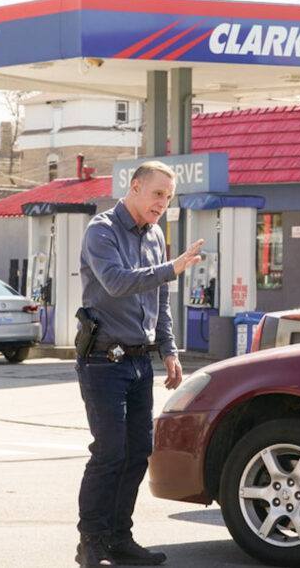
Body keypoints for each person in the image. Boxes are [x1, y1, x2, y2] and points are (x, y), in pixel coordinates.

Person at [75, 160, 203, 567]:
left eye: (169, 197)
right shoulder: (102, 231)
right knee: (109, 452)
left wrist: (169, 349)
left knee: (136, 453)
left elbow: (160, 299)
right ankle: (91, 541)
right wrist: (173, 267)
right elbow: (116, 282)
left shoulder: (155, 234)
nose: (163, 203)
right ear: (134, 188)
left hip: (138, 361)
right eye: (157, 194)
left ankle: (119, 538)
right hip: (102, 360)